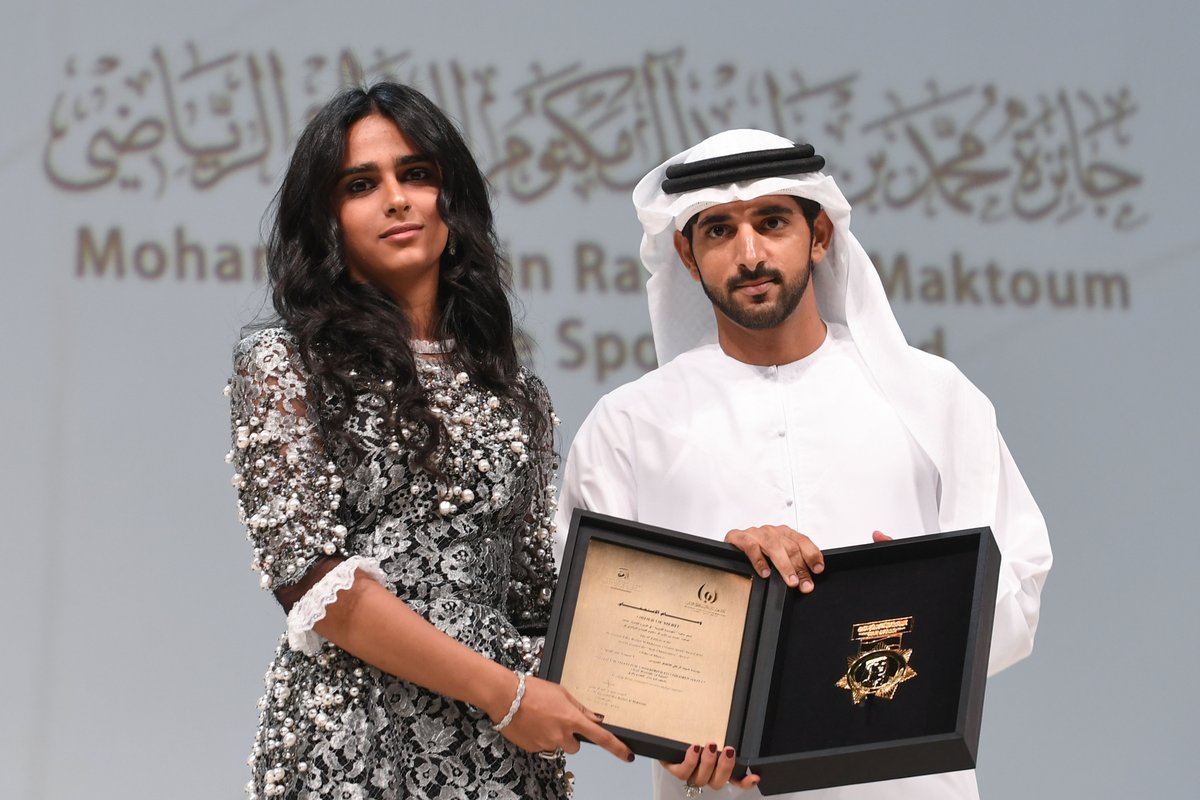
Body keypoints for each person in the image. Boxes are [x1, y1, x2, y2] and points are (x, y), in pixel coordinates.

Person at [555, 129, 1052, 800]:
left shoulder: (936, 398)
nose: (750, 254)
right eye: (719, 231)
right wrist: (666, 718)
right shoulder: (628, 425)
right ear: (687, 253)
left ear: (818, 235)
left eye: (772, 223)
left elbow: (1017, 585)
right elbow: (591, 632)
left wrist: (918, 597)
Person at [226, 82, 631, 800]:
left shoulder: (517, 393)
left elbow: (536, 600)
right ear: (327, 219)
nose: (396, 199)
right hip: (356, 747)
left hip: (501, 755)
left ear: (452, 198)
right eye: (361, 184)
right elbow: (313, 580)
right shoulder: (285, 365)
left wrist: (682, 715)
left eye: (416, 174)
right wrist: (505, 694)